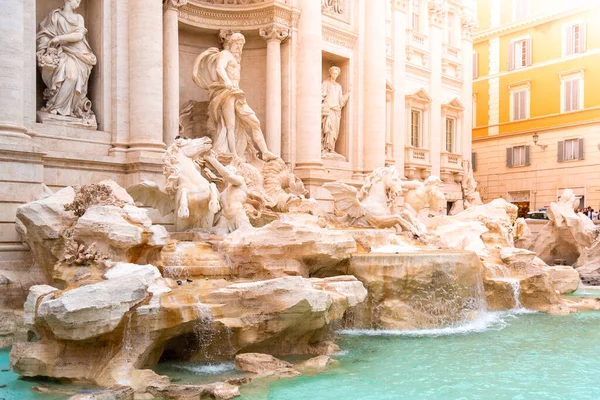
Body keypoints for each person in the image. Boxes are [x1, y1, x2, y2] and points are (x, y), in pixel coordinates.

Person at [193, 33, 276, 162]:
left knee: (255, 122)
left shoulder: (236, 59)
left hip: (237, 93)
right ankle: (233, 155)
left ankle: (265, 152)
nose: (239, 48)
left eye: (241, 45)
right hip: (227, 92)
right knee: (230, 125)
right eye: (237, 45)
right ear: (231, 44)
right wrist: (226, 81)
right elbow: (220, 68)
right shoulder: (225, 54)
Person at [36, 0, 97, 123]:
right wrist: (48, 44)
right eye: (77, 0)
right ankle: (57, 107)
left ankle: (66, 109)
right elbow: (44, 34)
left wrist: (59, 38)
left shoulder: (78, 17)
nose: (79, 4)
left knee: (73, 77)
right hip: (60, 52)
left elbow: (79, 36)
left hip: (79, 53)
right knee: (70, 76)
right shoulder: (54, 16)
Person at [321, 66, 351, 156]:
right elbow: (322, 95)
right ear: (330, 73)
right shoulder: (326, 83)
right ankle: (326, 148)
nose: (335, 75)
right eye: (334, 73)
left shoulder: (339, 86)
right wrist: (322, 106)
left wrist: (348, 93)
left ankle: (332, 148)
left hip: (336, 110)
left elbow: (341, 101)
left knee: (335, 131)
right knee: (328, 129)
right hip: (329, 109)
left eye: (337, 74)